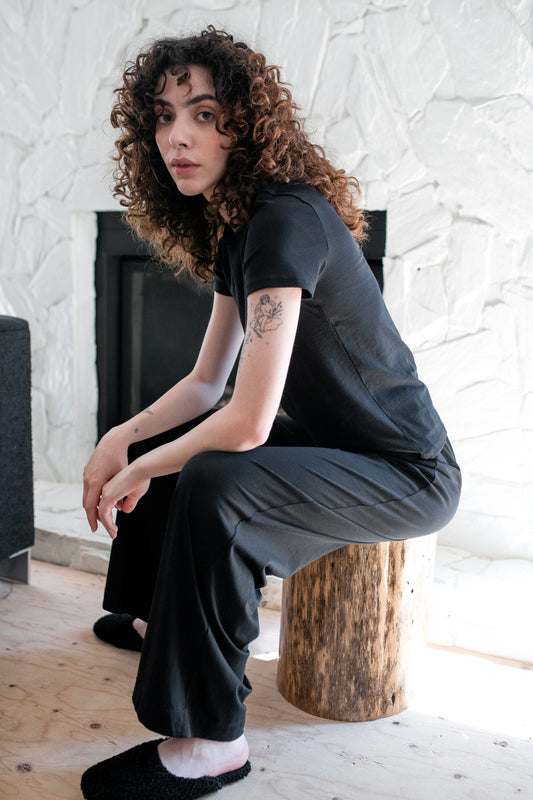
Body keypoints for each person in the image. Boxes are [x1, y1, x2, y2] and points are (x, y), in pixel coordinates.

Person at [80, 27, 461, 800]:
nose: (177, 137)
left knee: (214, 478)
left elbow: (248, 423)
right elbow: (204, 385)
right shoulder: (240, 226)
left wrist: (139, 466)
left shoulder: (285, 219)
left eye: (202, 113)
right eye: (162, 117)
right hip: (333, 443)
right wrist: (124, 438)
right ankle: (159, 623)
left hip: (406, 472)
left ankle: (211, 743)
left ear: (244, 125)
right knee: (180, 447)